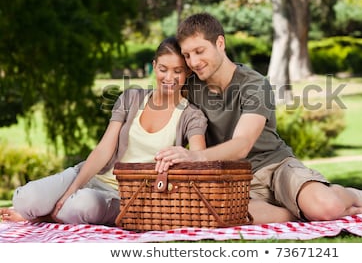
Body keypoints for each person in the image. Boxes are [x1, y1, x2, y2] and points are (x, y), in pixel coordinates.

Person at [154, 13, 362, 224]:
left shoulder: (254, 84)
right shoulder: (191, 85)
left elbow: (242, 144)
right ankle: (299, 211)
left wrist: (195, 157)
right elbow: (159, 100)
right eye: (187, 55)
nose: (193, 62)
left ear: (220, 43)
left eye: (199, 51)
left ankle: (355, 195)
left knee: (326, 208)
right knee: (223, 212)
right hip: (237, 180)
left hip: (275, 165)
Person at [0, 37, 207, 225]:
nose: (169, 77)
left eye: (177, 71)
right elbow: (104, 149)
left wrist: (186, 157)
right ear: (154, 66)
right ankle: (45, 211)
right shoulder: (131, 98)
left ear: (187, 72)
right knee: (25, 199)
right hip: (92, 175)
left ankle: (43, 217)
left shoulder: (191, 115)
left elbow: (200, 161)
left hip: (124, 197)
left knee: (82, 205)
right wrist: (72, 188)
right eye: (163, 69)